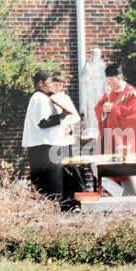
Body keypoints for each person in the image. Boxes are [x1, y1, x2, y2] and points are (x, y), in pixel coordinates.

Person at [94, 63, 136, 196]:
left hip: (129, 142)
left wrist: (114, 109)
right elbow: (98, 109)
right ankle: (121, 198)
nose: (109, 84)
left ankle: (133, 203)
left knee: (129, 171)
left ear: (119, 78)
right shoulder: (108, 95)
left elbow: (134, 117)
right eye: (107, 81)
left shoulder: (132, 94)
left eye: (111, 81)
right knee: (103, 172)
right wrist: (104, 111)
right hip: (111, 140)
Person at [22, 71, 71, 199]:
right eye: (49, 83)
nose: (51, 85)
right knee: (50, 185)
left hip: (47, 145)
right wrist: (62, 116)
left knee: (53, 184)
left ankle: (52, 211)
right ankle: (50, 212)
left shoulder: (44, 97)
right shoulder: (39, 98)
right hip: (43, 147)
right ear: (40, 83)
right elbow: (43, 122)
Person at [50, 71, 85, 203]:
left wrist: (69, 127)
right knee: (61, 171)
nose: (58, 88)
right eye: (55, 84)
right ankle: (65, 198)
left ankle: (78, 194)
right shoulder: (49, 99)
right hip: (55, 139)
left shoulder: (65, 98)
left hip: (65, 139)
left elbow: (73, 117)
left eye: (60, 85)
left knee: (70, 168)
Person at [80, 48, 107, 137]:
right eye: (95, 55)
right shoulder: (88, 65)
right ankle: (91, 126)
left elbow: (105, 79)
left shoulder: (102, 65)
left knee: (99, 106)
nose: (96, 57)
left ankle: (98, 126)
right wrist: (86, 74)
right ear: (92, 56)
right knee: (91, 106)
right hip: (90, 85)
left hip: (99, 85)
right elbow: (83, 77)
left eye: (98, 55)